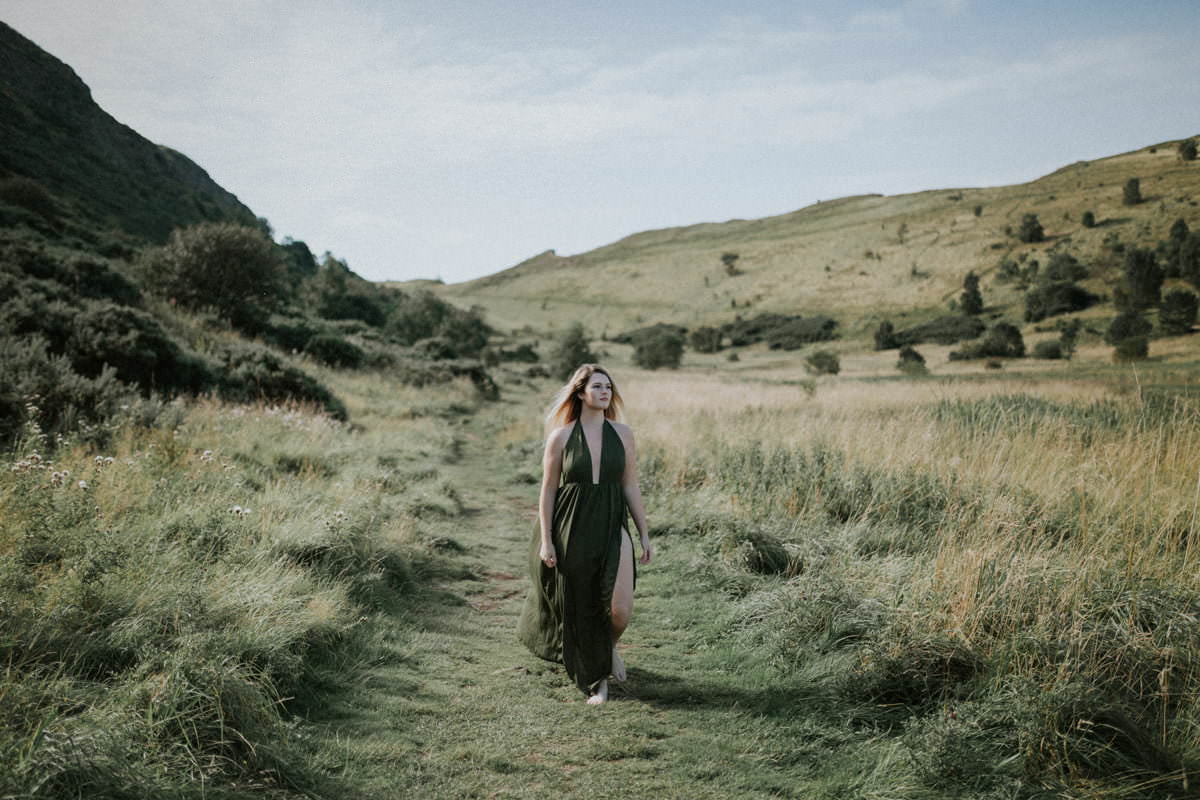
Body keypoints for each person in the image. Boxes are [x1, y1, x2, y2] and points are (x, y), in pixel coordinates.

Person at [517, 364, 652, 704]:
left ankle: (608, 648)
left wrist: (644, 533)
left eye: (608, 386)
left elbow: (630, 485)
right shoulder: (560, 437)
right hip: (572, 525)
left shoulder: (622, 434)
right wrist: (547, 540)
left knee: (620, 609)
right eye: (597, 386)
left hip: (611, 522)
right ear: (580, 393)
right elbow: (548, 491)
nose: (605, 392)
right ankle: (596, 681)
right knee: (582, 605)